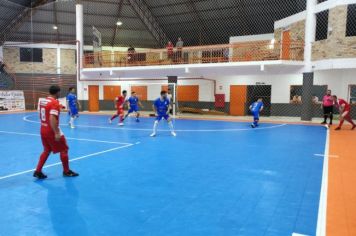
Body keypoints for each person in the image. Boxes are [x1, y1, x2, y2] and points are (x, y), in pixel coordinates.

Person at [34, 85, 79, 179]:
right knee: (64, 149)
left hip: (43, 129)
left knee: (46, 150)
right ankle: (66, 171)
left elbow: (44, 112)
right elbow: (52, 118)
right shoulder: (54, 103)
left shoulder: (43, 101)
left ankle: (37, 171)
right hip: (51, 130)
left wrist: (59, 106)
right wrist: (57, 132)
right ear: (57, 92)